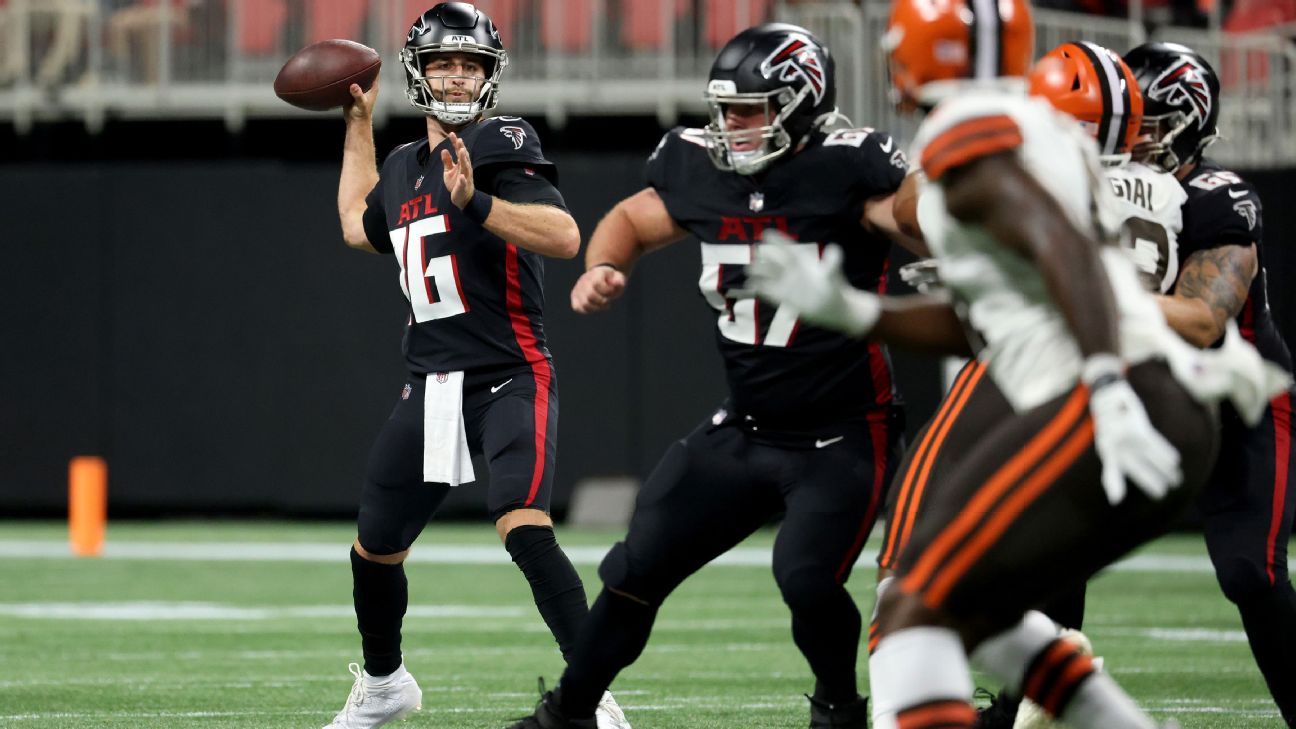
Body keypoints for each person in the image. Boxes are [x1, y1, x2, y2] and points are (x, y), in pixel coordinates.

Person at [747, 0, 1289, 727]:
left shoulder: (981, 138)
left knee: (913, 597)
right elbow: (1005, 304)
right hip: (1154, 397)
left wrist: (1106, 382)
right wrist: (858, 310)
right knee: (976, 600)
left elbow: (1066, 260)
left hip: (1108, 395)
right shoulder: (1070, 152)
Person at [509, 22, 919, 729]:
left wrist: (942, 214)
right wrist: (605, 265)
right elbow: (632, 218)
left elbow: (907, 212)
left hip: (845, 430)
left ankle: (838, 707)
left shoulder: (846, 167)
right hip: (747, 427)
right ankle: (567, 714)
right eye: (724, 111)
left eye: (748, 111)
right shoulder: (699, 166)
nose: (731, 126)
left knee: (806, 576)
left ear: (799, 104)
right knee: (635, 567)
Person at [328, 4, 625, 728]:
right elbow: (357, 226)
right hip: (431, 385)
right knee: (374, 548)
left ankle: (591, 696)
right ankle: (385, 684)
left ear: (490, 76)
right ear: (418, 73)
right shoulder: (403, 164)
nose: (458, 76)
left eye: (471, 64)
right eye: (444, 63)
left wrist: (478, 202)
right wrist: (359, 124)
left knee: (523, 524)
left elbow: (563, 234)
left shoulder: (500, 139)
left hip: (507, 375)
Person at [1123, 41, 1296, 728]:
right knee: (1049, 544)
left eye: (1148, 124)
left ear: (1186, 123)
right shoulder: (1095, 191)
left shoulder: (1217, 196)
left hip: (1240, 405)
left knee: (1250, 572)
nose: (1132, 139)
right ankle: (1026, 706)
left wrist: (1094, 290)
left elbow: (1200, 320)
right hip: (1153, 406)